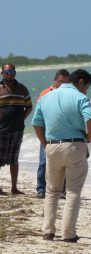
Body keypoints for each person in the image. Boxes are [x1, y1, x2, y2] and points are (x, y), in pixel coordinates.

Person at [31, 69, 91, 243]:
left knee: (52, 190)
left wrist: (45, 143)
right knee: (73, 191)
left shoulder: (46, 96)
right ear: (81, 82)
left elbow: (36, 124)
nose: (86, 91)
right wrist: (89, 137)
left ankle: (48, 231)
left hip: (52, 146)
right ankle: (68, 233)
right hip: (74, 145)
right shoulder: (80, 98)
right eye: (87, 87)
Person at [36, 69, 70, 199]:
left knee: (64, 162)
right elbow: (38, 115)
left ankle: (62, 190)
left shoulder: (70, 94)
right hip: (47, 132)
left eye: (66, 82)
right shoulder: (45, 93)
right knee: (44, 162)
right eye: (61, 81)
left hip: (64, 132)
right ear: (55, 80)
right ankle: (41, 189)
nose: (63, 84)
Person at [0, 63, 32, 195]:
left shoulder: (22, 89)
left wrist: (21, 119)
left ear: (15, 73)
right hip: (1, 130)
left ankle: (14, 187)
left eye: (12, 72)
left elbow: (29, 107)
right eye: (7, 72)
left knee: (14, 159)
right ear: (2, 73)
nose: (9, 75)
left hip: (17, 130)